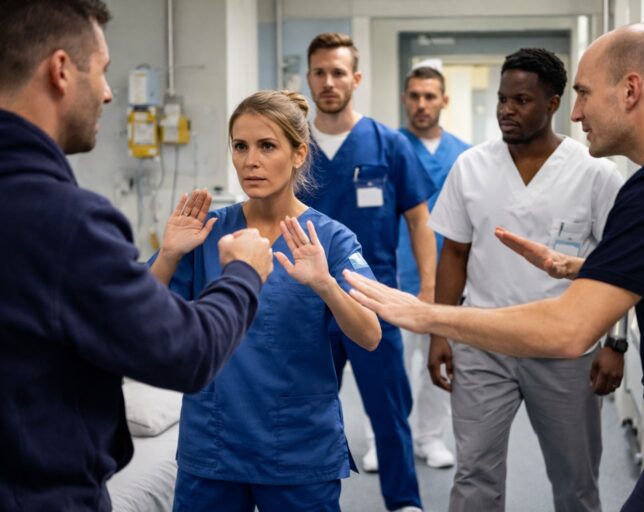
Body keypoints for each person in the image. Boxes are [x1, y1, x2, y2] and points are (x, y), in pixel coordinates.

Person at [344, 24, 644, 512]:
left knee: (575, 479)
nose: (577, 111)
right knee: (475, 472)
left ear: (630, 90)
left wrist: (428, 317)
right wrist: (583, 268)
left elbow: (568, 330)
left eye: (584, 93)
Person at [0, 1, 274, 510]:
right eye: (102, 72)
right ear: (61, 70)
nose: (108, 93)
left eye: (268, 146)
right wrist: (242, 275)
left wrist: (166, 256)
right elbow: (185, 352)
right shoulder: (65, 221)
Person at [148, 90, 382, 512]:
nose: (249, 160)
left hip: (298, 450)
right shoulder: (207, 232)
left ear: (298, 154)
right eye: (240, 146)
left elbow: (370, 335)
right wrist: (168, 255)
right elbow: (138, 317)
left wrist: (326, 284)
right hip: (214, 446)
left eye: (267, 146)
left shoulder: (329, 239)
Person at [426, 48, 624, 512]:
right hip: (482, 340)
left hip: (565, 345)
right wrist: (440, 329)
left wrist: (616, 344)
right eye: (501, 99)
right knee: (474, 474)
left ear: (553, 103)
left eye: (520, 100)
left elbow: (620, 267)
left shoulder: (596, 174)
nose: (506, 111)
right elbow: (454, 254)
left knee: (575, 479)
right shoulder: (471, 167)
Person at [303, 32, 436, 512]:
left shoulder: (388, 144)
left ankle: (405, 503)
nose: (329, 81)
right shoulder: (295, 146)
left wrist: (427, 293)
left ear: (355, 78)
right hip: (307, 305)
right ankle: (309, 498)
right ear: (309, 77)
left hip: (372, 300)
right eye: (319, 72)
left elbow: (420, 221)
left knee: (389, 412)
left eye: (338, 72)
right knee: (309, 411)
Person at [396, 64, 470, 469]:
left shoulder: (463, 153)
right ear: (405, 98)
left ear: (444, 100)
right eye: (414, 96)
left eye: (430, 96)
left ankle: (430, 438)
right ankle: (386, 437)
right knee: (391, 363)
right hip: (393, 275)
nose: (421, 104)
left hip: (448, 278)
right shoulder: (389, 146)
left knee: (439, 359)